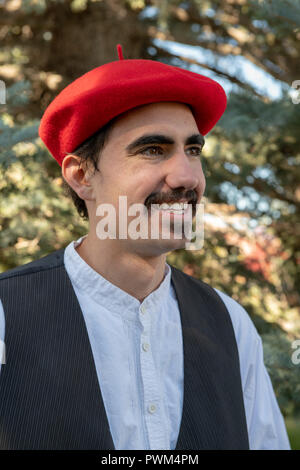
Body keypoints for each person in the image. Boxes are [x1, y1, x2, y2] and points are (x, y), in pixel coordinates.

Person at [0, 45, 290, 450]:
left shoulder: (230, 324)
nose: (188, 177)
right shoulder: (5, 315)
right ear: (81, 175)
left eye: (193, 150)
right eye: (154, 149)